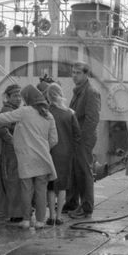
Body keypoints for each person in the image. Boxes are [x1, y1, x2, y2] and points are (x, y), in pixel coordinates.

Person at [0, 85, 58, 228]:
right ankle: (40, 221)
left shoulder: (25, 111)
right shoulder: (49, 115)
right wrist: (44, 148)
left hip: (26, 158)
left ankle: (26, 220)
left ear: (28, 98)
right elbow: (54, 140)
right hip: (43, 158)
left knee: (26, 189)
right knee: (41, 191)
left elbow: (2, 118)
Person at [66, 61, 101, 219]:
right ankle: (72, 202)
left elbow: (92, 119)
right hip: (77, 138)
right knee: (74, 171)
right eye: (73, 72)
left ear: (86, 74)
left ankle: (86, 207)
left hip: (83, 139)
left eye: (78, 73)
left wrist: (82, 140)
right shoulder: (79, 91)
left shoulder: (90, 92)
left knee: (84, 172)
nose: (74, 75)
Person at [45, 83, 80, 226]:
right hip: (66, 153)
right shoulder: (70, 113)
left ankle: (51, 217)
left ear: (48, 96)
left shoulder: (45, 112)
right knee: (63, 186)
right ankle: (59, 217)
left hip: (50, 152)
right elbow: (77, 135)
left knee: (51, 185)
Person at [0, 84, 24, 222]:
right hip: (11, 151)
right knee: (14, 181)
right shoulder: (7, 110)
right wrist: (14, 142)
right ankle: (16, 214)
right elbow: (1, 129)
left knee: (16, 181)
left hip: (15, 151)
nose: (18, 98)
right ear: (8, 97)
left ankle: (17, 212)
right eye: (15, 96)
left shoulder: (14, 110)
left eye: (20, 95)